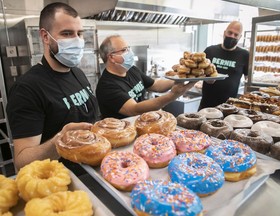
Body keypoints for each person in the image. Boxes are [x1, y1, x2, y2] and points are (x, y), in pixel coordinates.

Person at [6, 2, 98, 170]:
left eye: (80, 34)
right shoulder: (27, 89)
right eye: (67, 33)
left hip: (94, 168)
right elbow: (21, 162)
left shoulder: (77, 73)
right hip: (64, 182)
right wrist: (60, 140)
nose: (77, 41)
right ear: (46, 37)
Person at [96, 34, 195, 119]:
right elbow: (134, 109)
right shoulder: (106, 86)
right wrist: (172, 96)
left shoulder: (132, 70)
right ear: (112, 57)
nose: (129, 53)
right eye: (124, 50)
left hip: (142, 127)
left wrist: (181, 78)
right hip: (122, 136)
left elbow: (155, 85)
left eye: (128, 48)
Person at [198, 21, 249, 110]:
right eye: (230, 32)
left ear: (240, 37)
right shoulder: (210, 51)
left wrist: (247, 101)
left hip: (229, 107)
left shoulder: (245, 55)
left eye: (236, 35)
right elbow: (199, 72)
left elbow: (247, 80)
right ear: (224, 33)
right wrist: (205, 78)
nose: (232, 36)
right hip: (207, 105)